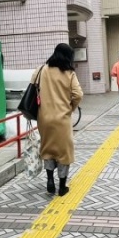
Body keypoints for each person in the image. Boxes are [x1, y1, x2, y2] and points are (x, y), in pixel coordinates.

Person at [33, 43, 83, 196]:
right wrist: (70, 108)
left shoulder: (41, 70)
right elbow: (78, 94)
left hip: (44, 118)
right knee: (64, 152)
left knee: (47, 149)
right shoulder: (69, 73)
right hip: (62, 119)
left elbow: (32, 87)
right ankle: (62, 186)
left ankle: (49, 180)